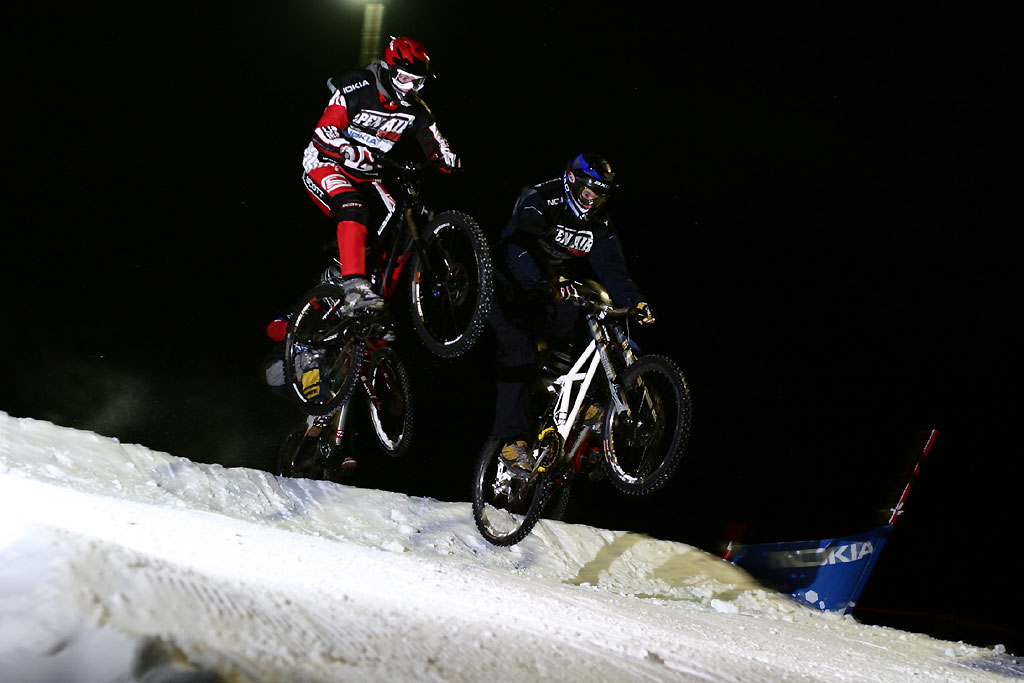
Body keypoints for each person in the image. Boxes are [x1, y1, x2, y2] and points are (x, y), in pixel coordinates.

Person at [488, 153, 656, 472]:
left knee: (588, 305)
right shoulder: (542, 199)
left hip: (549, 285)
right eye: (588, 192)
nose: (592, 201)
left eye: (600, 195)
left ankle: (575, 395)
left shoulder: (599, 223)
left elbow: (612, 268)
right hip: (509, 281)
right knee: (519, 351)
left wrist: (634, 302)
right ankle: (511, 442)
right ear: (572, 182)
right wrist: (544, 281)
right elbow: (516, 246)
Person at [301, 35, 460, 314]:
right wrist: (347, 149)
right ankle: (354, 287)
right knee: (353, 205)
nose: (409, 88)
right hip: (325, 163)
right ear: (388, 69)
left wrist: (447, 158)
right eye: (404, 79)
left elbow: (435, 141)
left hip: (368, 176)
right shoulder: (357, 85)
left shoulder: (415, 109)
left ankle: (374, 308)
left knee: (405, 229)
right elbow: (323, 131)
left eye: (417, 82)